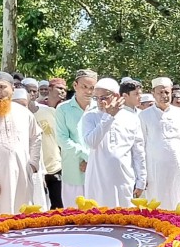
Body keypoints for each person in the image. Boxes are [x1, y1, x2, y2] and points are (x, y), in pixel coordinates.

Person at [0, 72, 42, 215]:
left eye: (2, 87)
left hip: (21, 178)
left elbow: (36, 137)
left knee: (20, 219)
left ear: (12, 89)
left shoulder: (24, 114)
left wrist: (32, 164)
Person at [81, 78, 146, 208]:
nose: (100, 101)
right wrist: (108, 117)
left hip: (124, 178)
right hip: (98, 178)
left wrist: (141, 180)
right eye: (96, 98)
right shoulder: (90, 117)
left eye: (104, 97)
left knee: (124, 219)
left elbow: (138, 151)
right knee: (99, 220)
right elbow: (92, 142)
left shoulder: (131, 118)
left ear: (116, 96)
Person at [139, 77, 180, 210]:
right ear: (153, 93)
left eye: (167, 92)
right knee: (157, 204)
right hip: (155, 170)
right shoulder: (144, 116)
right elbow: (140, 146)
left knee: (179, 202)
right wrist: (142, 174)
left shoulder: (179, 113)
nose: (164, 96)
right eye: (160, 93)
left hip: (178, 167)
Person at [55, 69, 97, 207]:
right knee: (74, 215)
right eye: (84, 87)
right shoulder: (63, 109)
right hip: (73, 170)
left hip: (97, 170)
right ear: (75, 86)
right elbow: (62, 139)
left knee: (98, 216)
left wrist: (92, 160)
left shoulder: (99, 109)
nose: (88, 91)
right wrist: (86, 156)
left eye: (92, 88)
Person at [24, 78, 63, 209]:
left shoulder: (49, 111)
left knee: (59, 206)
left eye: (34, 91)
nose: (31, 94)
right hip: (32, 170)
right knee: (37, 207)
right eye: (28, 91)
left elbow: (60, 137)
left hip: (54, 166)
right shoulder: (18, 115)